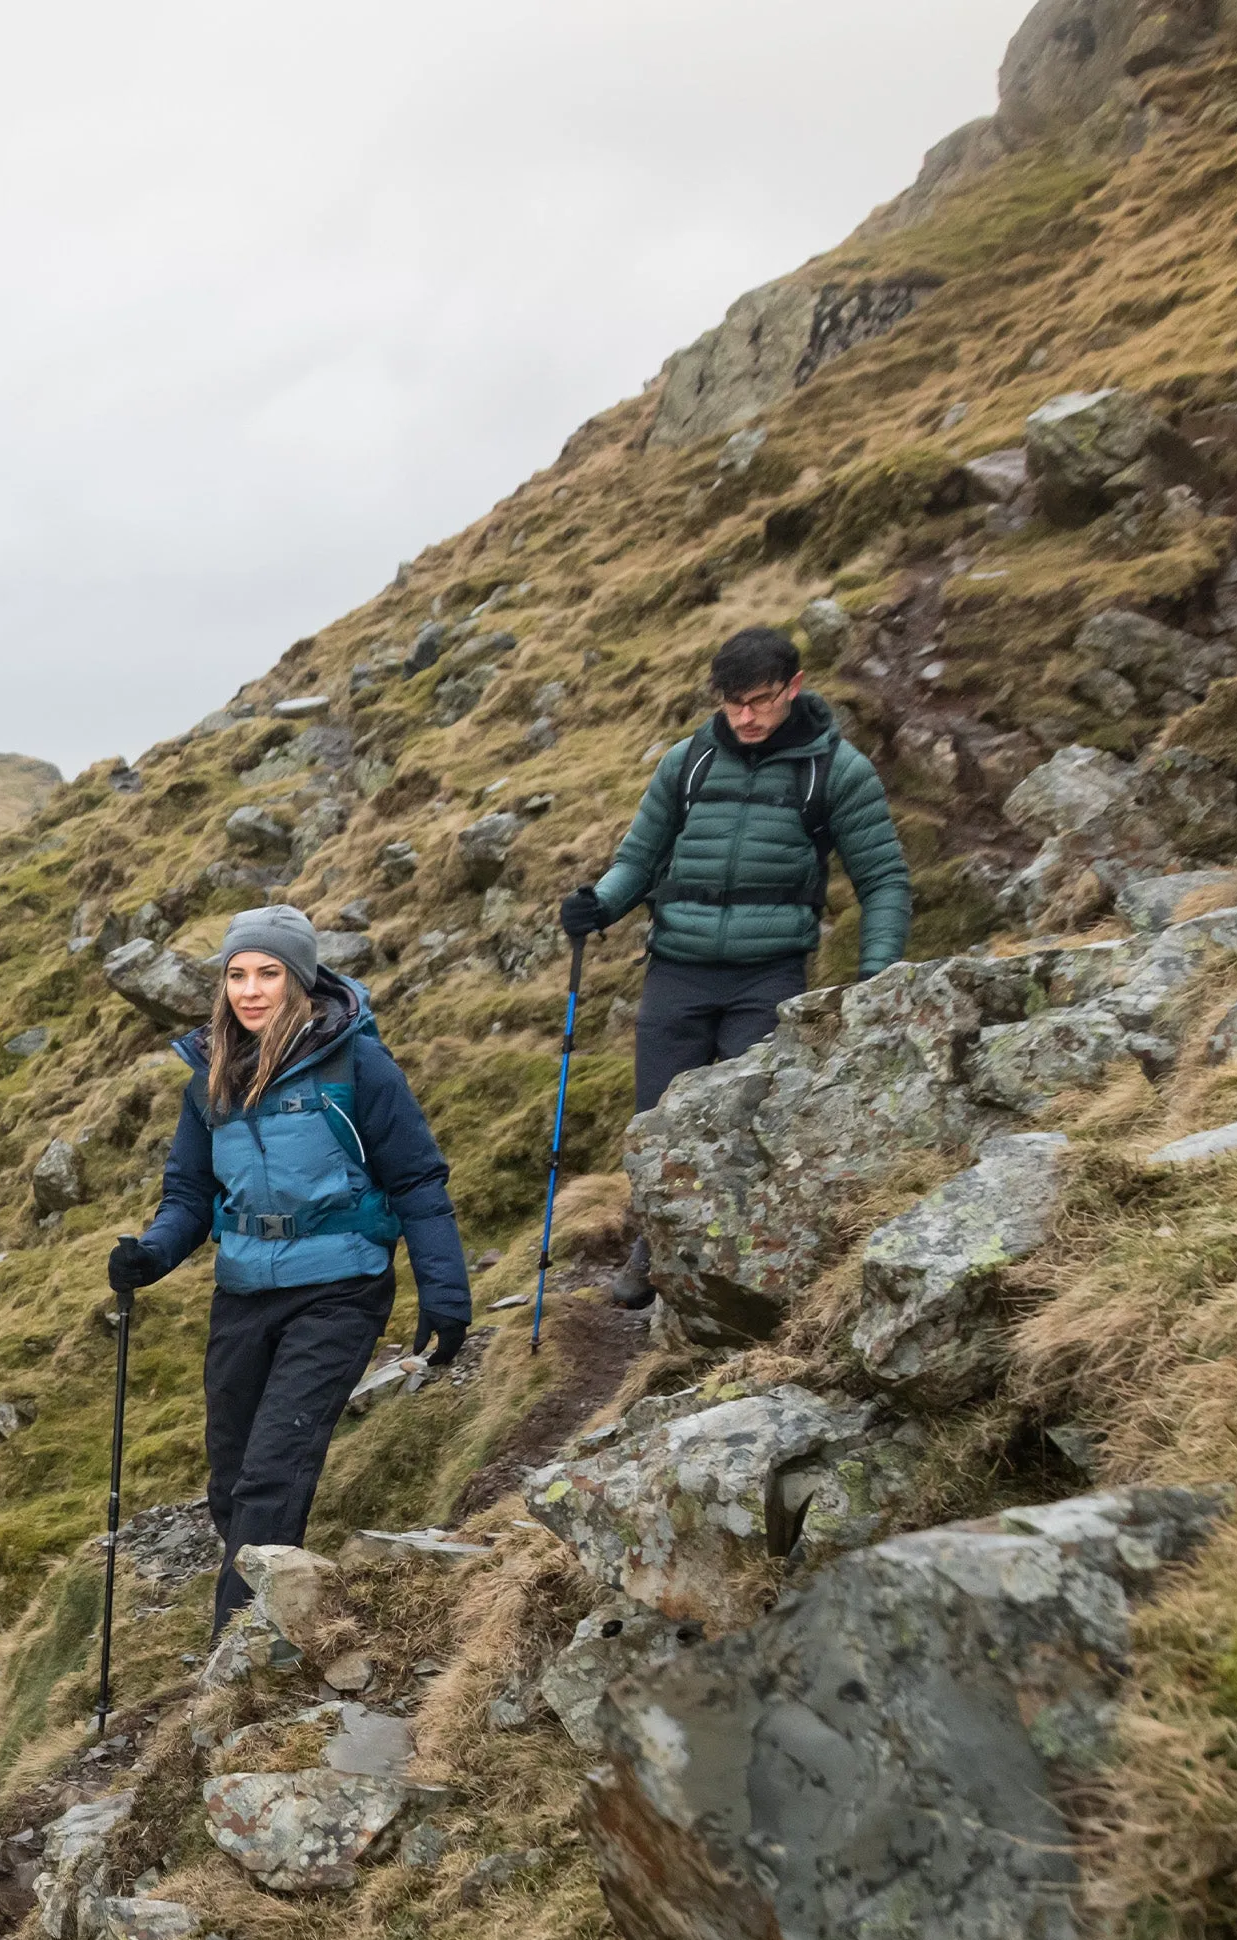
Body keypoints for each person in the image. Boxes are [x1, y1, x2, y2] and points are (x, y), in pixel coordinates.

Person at [109, 907, 473, 1634]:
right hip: (244, 1289)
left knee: (275, 1470)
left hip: (340, 1287)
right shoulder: (209, 1077)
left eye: (268, 973)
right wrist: (150, 1255)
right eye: (237, 974)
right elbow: (189, 1194)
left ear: (300, 980)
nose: (250, 990)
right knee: (231, 1478)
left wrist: (445, 1289)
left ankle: (236, 1646)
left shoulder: (356, 1064)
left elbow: (416, 1179)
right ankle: (273, 1603)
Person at [560, 624, 912, 1307]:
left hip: (768, 976)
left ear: (794, 688)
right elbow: (639, 858)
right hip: (676, 969)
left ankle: (732, 1278)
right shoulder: (686, 762)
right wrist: (599, 905)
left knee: (741, 1124)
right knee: (656, 1121)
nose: (745, 717)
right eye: (732, 703)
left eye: (759, 700)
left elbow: (885, 880)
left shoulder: (836, 771)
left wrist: (877, 974)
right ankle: (654, 1249)